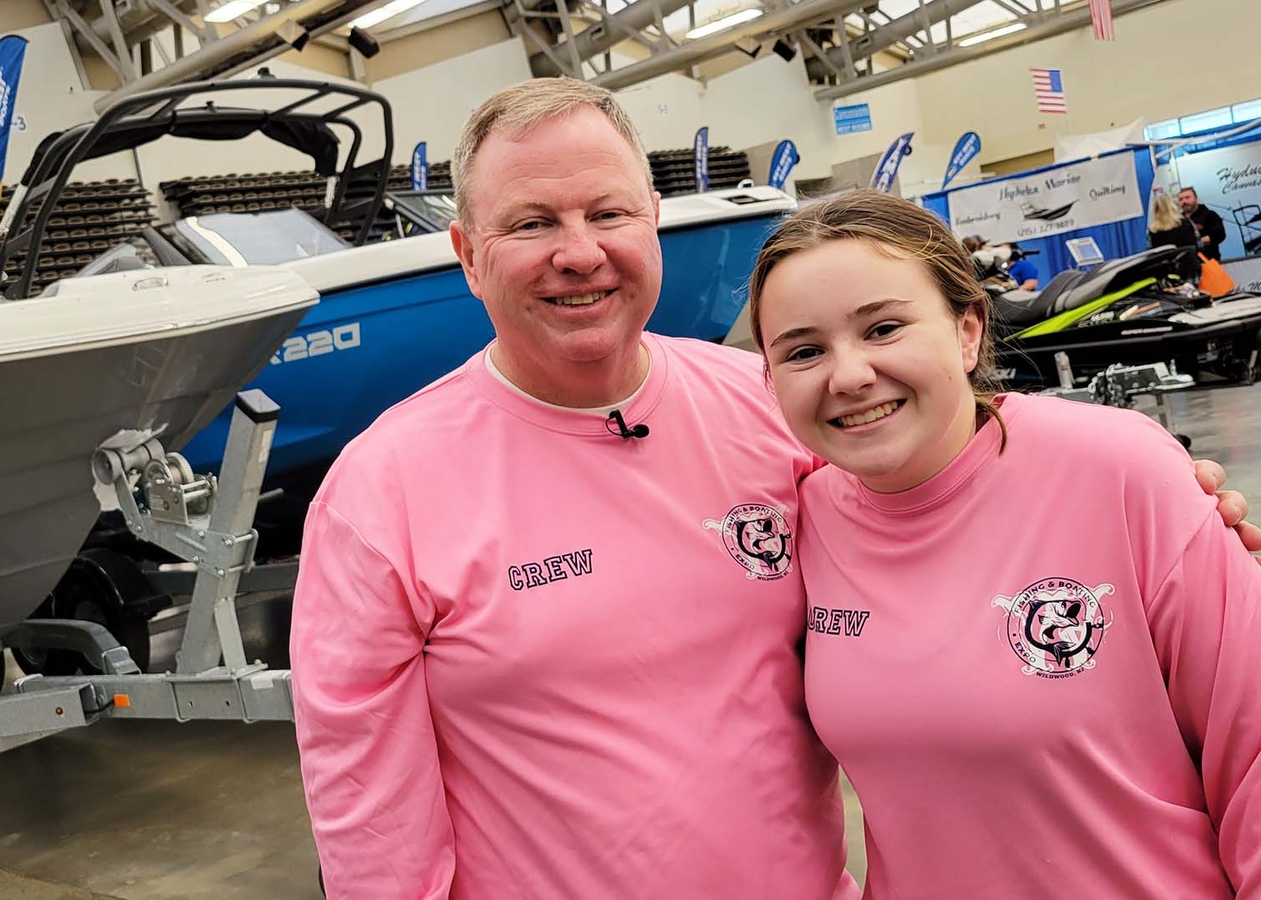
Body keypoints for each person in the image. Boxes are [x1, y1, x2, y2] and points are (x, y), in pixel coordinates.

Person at [289, 79, 1259, 899]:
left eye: (607, 213)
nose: (577, 250)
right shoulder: (381, 492)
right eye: (532, 222)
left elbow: (937, 478)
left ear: (651, 223)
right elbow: (370, 818)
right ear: (466, 254)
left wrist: (1151, 501)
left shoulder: (764, 408)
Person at [749, 189, 1261, 899]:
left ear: (967, 332)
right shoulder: (799, 524)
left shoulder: (1120, 473)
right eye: (804, 350)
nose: (849, 374)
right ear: (770, 380)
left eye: (884, 328)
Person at [1148, 192, 1204, 283]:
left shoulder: (1152, 231)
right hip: (1190, 270)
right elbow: (1199, 245)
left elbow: (1152, 255)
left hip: (1167, 275)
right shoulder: (1187, 223)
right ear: (1172, 205)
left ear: (1155, 209)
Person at [1179, 186, 1228, 261]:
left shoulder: (1209, 215)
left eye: (1187, 197)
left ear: (1196, 199)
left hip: (1209, 263)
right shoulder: (1177, 221)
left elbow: (1219, 235)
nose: (1184, 201)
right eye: (1181, 199)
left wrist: (1198, 242)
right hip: (1186, 266)